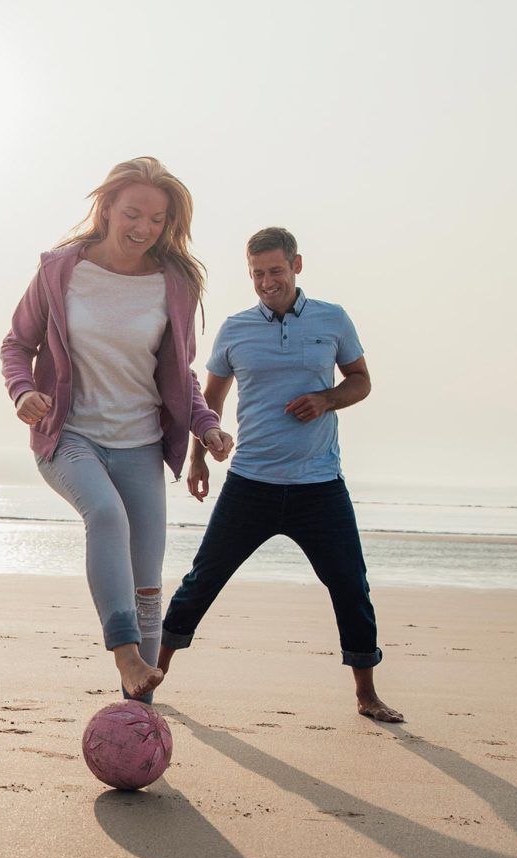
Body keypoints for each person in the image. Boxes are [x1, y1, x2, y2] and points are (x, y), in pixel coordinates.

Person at [0, 156, 232, 702]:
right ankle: (126, 655)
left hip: (141, 445)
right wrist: (23, 391)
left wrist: (207, 426)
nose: (144, 228)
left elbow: (181, 375)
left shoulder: (174, 284)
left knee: (148, 587)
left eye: (158, 220)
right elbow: (16, 344)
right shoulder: (60, 271)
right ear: (105, 209)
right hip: (68, 435)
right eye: (133, 213)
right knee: (104, 514)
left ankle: (140, 710)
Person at [158, 226, 403, 722]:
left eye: (274, 270)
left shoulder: (332, 320)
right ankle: (152, 676)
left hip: (320, 486)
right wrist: (199, 456)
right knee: (202, 581)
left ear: (296, 265)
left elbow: (361, 382)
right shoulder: (235, 329)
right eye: (256, 274)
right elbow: (209, 402)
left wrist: (326, 399)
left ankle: (366, 695)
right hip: (251, 483)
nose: (266, 282)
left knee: (351, 586)